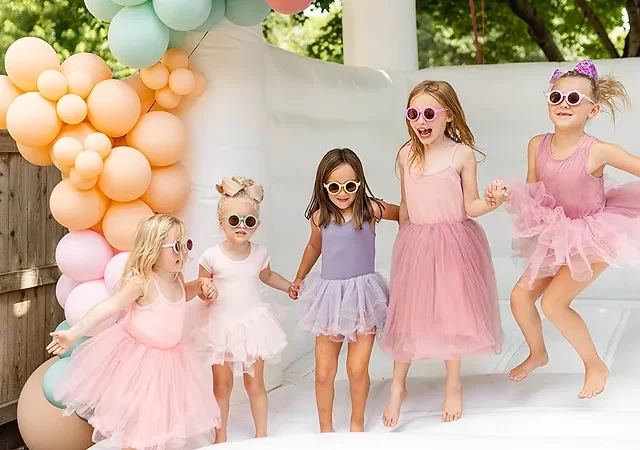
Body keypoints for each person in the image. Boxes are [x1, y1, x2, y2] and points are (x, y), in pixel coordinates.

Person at [489, 59, 640, 398]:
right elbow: (532, 193)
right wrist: (506, 193)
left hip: (594, 234)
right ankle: (538, 353)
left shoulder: (598, 150)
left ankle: (594, 364)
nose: (563, 105)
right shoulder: (536, 144)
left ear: (593, 109)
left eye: (574, 99)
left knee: (554, 304)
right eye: (556, 97)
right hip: (554, 232)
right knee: (519, 299)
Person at [381, 80, 507, 427]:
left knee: (451, 310)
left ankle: (454, 384)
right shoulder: (406, 154)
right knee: (408, 311)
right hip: (416, 242)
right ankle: (397, 386)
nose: (420, 121)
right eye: (413, 114)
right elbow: (407, 203)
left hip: (453, 241)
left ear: (447, 116)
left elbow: (471, 204)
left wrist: (493, 201)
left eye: (428, 113)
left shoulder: (461, 155)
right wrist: (403, 240)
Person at [47, 213, 221, 450]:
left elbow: (183, 295)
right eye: (176, 246)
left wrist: (201, 285)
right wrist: (74, 332)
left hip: (172, 361)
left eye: (186, 244)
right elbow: (108, 306)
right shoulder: (142, 282)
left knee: (161, 422)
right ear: (152, 249)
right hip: (141, 361)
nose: (183, 252)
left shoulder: (177, 278)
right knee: (139, 427)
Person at [291, 148, 399, 432]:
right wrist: (299, 277)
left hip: (364, 297)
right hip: (329, 299)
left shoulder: (371, 210)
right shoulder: (319, 218)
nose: (342, 193)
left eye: (349, 186)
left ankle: (357, 423)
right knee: (324, 371)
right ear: (323, 186)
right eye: (334, 187)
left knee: (356, 368)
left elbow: (407, 216)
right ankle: (325, 429)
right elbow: (314, 247)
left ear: (360, 183)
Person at [192, 176, 290, 443]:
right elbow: (202, 286)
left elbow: (268, 276)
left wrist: (289, 286)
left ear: (256, 225)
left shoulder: (260, 253)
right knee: (221, 386)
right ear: (221, 223)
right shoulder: (211, 256)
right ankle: (220, 436)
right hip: (220, 326)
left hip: (251, 325)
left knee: (255, 383)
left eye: (250, 221)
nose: (242, 226)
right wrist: (206, 288)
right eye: (234, 220)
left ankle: (262, 435)